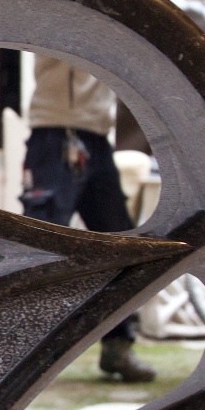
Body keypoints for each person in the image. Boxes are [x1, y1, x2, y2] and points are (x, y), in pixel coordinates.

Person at [20, 56, 160, 383]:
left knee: (121, 246)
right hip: (56, 132)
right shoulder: (58, 21)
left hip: (97, 136)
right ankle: (22, 351)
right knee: (41, 248)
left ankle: (117, 346)